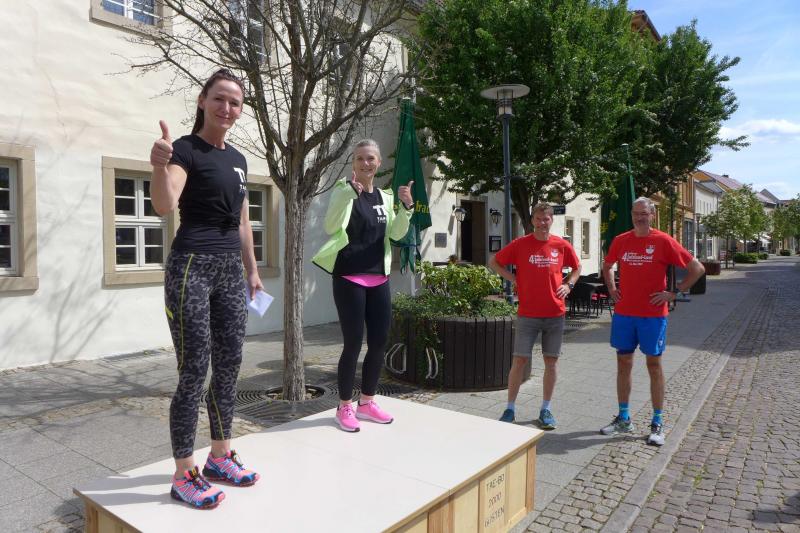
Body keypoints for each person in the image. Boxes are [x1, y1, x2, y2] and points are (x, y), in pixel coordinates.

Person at [150, 69, 261, 509]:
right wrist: (158, 166)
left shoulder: (239, 159)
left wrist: (252, 271)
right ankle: (183, 473)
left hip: (230, 270)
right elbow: (164, 204)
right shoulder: (184, 149)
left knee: (230, 364)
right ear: (202, 101)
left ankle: (219, 456)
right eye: (219, 98)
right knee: (194, 369)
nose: (226, 108)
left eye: (235, 102)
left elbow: (243, 221)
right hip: (191, 268)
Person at [312, 139, 413, 433]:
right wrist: (348, 195)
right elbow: (331, 227)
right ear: (353, 163)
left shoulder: (386, 197)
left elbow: (396, 234)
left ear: (378, 163)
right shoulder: (343, 191)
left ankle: (367, 402)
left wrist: (406, 208)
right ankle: (344, 406)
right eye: (359, 158)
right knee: (354, 342)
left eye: (370, 158)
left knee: (379, 341)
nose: (365, 163)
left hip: (379, 277)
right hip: (349, 277)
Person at [600, 197, 705, 446]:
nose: (639, 218)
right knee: (623, 363)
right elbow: (608, 265)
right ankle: (624, 418)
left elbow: (697, 268)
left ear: (652, 215)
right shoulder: (621, 240)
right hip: (625, 314)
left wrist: (674, 292)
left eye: (644, 214)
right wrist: (612, 288)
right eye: (636, 213)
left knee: (654, 365)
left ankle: (657, 422)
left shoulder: (663, 241)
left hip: (653, 316)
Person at [489, 202, 581, 429]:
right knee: (519, 360)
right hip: (528, 314)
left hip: (555, 313)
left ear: (551, 220)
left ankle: (546, 409)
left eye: (546, 219)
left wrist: (569, 284)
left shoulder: (561, 245)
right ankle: (510, 409)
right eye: (538, 219)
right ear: (532, 221)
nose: (542, 223)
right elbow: (494, 262)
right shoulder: (520, 244)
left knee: (551, 362)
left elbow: (577, 267)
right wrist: (514, 279)